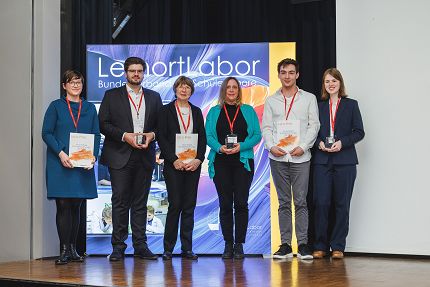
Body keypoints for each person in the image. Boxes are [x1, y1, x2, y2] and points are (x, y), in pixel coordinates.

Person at [98, 57, 162, 261]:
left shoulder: (154, 97)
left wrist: (152, 135)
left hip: (144, 156)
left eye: (140, 71)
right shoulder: (111, 95)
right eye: (132, 71)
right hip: (119, 155)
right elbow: (103, 125)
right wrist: (125, 136)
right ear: (125, 73)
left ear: (144, 73)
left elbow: (162, 126)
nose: (136, 74)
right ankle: (118, 247)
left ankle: (141, 246)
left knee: (141, 203)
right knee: (119, 202)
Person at [262, 58, 320, 260]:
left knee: (301, 201)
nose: (287, 76)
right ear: (279, 75)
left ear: (297, 75)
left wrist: (303, 147)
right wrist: (271, 146)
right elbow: (267, 127)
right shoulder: (271, 100)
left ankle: (303, 245)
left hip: (301, 157)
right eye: (283, 72)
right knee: (284, 202)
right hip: (277, 157)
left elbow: (314, 125)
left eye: (291, 72)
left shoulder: (309, 98)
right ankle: (285, 245)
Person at [42, 70, 101, 265]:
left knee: (76, 205)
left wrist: (93, 156)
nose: (76, 85)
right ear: (64, 85)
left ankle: (74, 249)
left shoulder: (90, 108)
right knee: (63, 204)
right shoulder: (56, 106)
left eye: (79, 82)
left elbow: (95, 134)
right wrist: (61, 152)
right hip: (61, 162)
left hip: (82, 164)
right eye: (72, 82)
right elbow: (47, 133)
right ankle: (64, 249)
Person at [206, 76, 261, 260]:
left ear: (238, 90)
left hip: (242, 162)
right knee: (225, 204)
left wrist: (242, 146)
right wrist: (219, 147)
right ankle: (228, 244)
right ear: (223, 90)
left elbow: (256, 135)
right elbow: (208, 136)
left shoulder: (248, 110)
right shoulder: (214, 111)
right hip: (221, 161)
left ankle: (239, 245)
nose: (231, 90)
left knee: (241, 204)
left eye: (234, 87)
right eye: (228, 87)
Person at [312, 68, 364, 259]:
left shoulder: (351, 105)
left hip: (345, 161)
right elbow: (312, 131)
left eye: (334, 81)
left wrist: (342, 142)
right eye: (327, 81)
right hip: (322, 161)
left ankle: (338, 247)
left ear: (340, 83)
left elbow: (359, 132)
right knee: (321, 203)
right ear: (324, 85)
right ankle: (320, 246)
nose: (331, 84)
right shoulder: (318, 106)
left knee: (342, 204)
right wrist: (318, 143)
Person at [157, 76, 207, 260]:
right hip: (173, 165)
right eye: (180, 87)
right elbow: (161, 137)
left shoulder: (197, 111)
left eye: (187, 87)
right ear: (175, 89)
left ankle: (187, 248)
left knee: (189, 207)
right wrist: (173, 159)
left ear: (191, 91)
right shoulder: (165, 111)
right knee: (175, 205)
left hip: (192, 166)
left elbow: (202, 138)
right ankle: (168, 249)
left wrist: (199, 159)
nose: (184, 90)